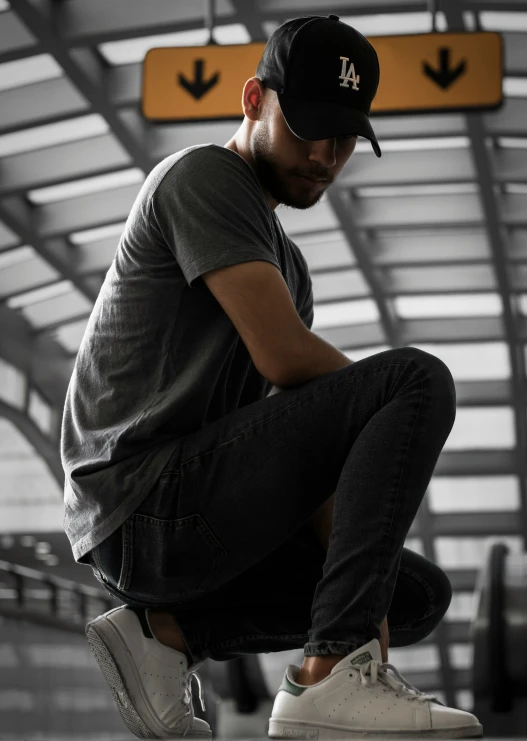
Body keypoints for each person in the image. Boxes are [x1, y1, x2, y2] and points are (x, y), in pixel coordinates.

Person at [61, 13, 483, 740]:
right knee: (416, 379)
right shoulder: (203, 176)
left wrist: (361, 614)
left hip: (195, 511)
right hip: (140, 507)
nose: (322, 155)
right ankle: (321, 684)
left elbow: (302, 453)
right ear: (254, 99)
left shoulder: (287, 267)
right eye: (306, 128)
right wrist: (388, 402)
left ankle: (167, 631)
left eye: (344, 139)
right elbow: (286, 359)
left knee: (414, 594)